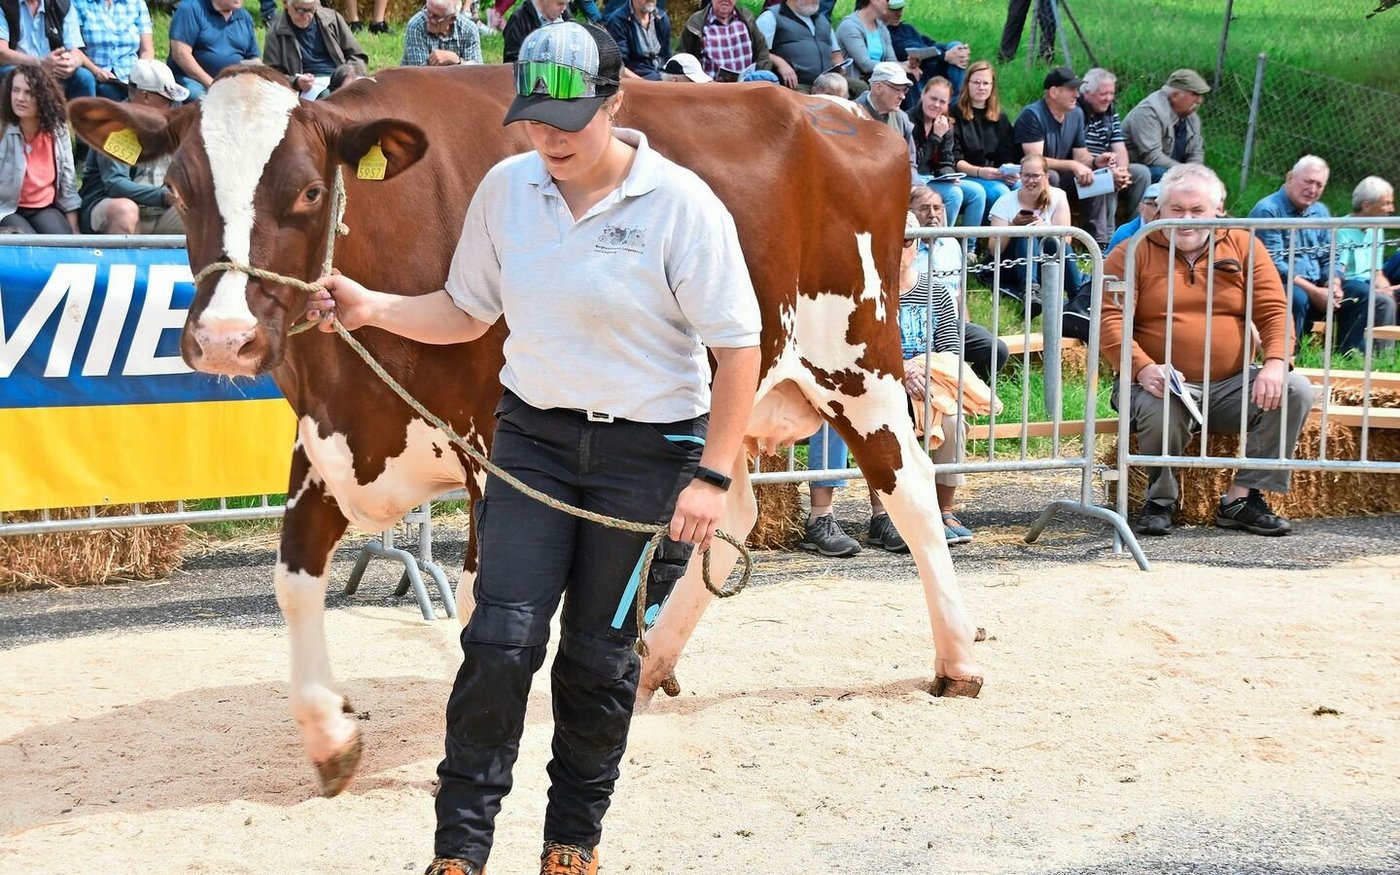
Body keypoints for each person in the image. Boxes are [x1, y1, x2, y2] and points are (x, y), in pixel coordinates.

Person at [306, 22, 762, 875]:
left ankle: (571, 846)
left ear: (615, 102)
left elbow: (739, 347)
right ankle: (460, 853)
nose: (548, 135)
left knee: (596, 658)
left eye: (568, 117)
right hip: (534, 442)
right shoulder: (508, 189)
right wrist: (374, 306)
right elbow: (467, 310)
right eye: (535, 117)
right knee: (498, 641)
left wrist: (711, 473)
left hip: (648, 454)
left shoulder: (679, 204)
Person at [1102, 163, 1313, 538]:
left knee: (1296, 389)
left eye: (1197, 211)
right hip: (1156, 382)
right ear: (1157, 210)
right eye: (1176, 210)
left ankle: (1242, 497)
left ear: (1218, 210)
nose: (1186, 220)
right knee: (1160, 402)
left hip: (1231, 383)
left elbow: (1273, 309)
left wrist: (1276, 363)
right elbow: (1109, 320)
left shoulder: (1244, 244)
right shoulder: (1130, 251)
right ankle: (1159, 499)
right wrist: (1142, 368)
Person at [908, 187, 1008, 543]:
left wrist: (930, 374)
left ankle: (944, 511)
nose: (933, 214)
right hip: (889, 377)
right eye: (904, 242)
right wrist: (903, 372)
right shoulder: (878, 287)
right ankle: (892, 516)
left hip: (933, 371)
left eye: (938, 207)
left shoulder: (945, 261)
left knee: (951, 416)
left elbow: (950, 346)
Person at [1247, 155, 1358, 351]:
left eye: (1319, 185)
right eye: (1308, 181)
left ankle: (1352, 355)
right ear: (1290, 178)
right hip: (1279, 282)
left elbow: (1330, 255)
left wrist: (1333, 283)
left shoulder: (1321, 212)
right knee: (1297, 297)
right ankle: (1288, 355)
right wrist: (1314, 292)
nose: (1313, 189)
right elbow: (1272, 263)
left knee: (1363, 293)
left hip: (1316, 283)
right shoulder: (1268, 210)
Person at [78, 59, 185, 235]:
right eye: (167, 98)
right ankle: (123, 260)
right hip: (114, 208)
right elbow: (116, 184)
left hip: (161, 210)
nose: (172, 104)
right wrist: (163, 197)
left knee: (206, 209)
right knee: (125, 211)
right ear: (146, 97)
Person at [986, 154, 1085, 314]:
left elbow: (1066, 241)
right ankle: (1029, 292)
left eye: (1035, 176)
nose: (1030, 181)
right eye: (1026, 175)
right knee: (1027, 234)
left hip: (1047, 262)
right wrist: (1014, 225)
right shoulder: (1005, 202)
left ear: (1046, 176)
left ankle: (1077, 295)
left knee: (1056, 241)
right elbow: (993, 249)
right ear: (1020, 175)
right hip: (1012, 265)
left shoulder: (1058, 196)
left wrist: (1045, 228)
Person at [0, 63, 78, 234]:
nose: (20, 98)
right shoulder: (2, 129)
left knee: (61, 244)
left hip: (44, 208)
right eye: (16, 90)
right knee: (29, 246)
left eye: (28, 93)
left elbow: (68, 184)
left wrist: (75, 233)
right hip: (6, 210)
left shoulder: (58, 130)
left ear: (43, 97)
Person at [1077, 67, 1150, 247]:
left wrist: (1122, 170)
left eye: (1111, 93)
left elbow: (1119, 147)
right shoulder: (1076, 111)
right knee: (1108, 179)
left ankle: (1139, 232)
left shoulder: (1110, 110)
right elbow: (1078, 153)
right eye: (1103, 94)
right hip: (1086, 166)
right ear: (1087, 92)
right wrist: (1111, 172)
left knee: (1141, 173)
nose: (1109, 98)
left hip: (1108, 164)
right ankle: (1107, 242)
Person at [1014, 66, 1095, 220]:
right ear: (1053, 92)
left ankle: (1100, 240)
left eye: (1077, 89)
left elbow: (1081, 156)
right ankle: (1050, 231)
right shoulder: (1032, 115)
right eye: (1071, 89)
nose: (1077, 95)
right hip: (1032, 175)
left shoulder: (1076, 114)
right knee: (1051, 176)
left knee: (1097, 179)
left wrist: (1097, 163)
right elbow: (1035, 160)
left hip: (1063, 176)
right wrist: (1072, 165)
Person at [910, 75, 986, 231]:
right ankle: (941, 239)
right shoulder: (909, 121)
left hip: (935, 178)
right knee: (954, 194)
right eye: (933, 98)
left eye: (942, 101)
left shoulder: (945, 123)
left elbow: (947, 160)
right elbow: (916, 160)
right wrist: (936, 137)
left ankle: (969, 248)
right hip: (915, 178)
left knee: (977, 192)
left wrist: (949, 175)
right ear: (923, 94)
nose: (936, 105)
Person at [1333, 175, 1398, 354]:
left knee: (1390, 298)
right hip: (1349, 285)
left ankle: (1387, 357)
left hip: (1368, 283)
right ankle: (1367, 356)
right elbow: (1339, 272)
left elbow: (1377, 274)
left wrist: (1387, 289)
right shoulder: (1343, 230)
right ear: (1366, 205)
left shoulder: (1377, 228)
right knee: (1381, 301)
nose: (1391, 209)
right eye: (1386, 203)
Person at [953, 60, 1020, 217]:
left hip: (996, 174)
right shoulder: (954, 113)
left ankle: (1017, 239)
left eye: (986, 83)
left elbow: (1007, 152)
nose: (981, 87)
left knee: (1022, 187)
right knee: (1000, 191)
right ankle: (989, 239)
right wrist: (979, 172)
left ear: (992, 86)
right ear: (967, 84)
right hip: (968, 174)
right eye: (976, 82)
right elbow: (954, 159)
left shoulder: (1000, 117)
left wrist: (1009, 171)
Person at [264, 0, 367, 97]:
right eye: (301, 10)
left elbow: (357, 55)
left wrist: (350, 72)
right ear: (286, 4)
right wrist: (295, 82)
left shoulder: (331, 18)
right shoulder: (276, 30)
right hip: (309, 86)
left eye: (311, 9)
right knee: (329, 97)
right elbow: (271, 73)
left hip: (339, 77)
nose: (307, 15)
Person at [1122, 69, 1208, 183]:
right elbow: (1152, 157)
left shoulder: (1192, 118)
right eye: (1195, 94)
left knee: (1207, 178)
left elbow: (1196, 152)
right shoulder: (1149, 112)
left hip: (1173, 168)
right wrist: (1186, 173)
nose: (1199, 100)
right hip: (1137, 171)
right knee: (1160, 174)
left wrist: (1196, 173)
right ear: (1175, 95)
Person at [0, 0, 97, 100]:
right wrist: (40, 63)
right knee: (6, 73)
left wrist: (70, 63)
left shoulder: (63, 4)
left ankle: (80, 116)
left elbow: (75, 50)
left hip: (54, 68)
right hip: (18, 66)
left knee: (84, 77)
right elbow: (2, 53)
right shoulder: (4, 4)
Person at [167, 0, 260, 102]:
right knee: (202, 99)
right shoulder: (190, 9)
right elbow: (181, 54)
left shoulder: (244, 17)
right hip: (194, 81)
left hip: (232, 83)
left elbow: (254, 60)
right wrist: (213, 85)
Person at [880, 0, 967, 105]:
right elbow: (910, 49)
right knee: (951, 52)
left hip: (930, 70)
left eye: (900, 8)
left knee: (955, 45)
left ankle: (960, 100)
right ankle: (956, 103)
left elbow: (930, 44)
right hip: (915, 78)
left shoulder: (908, 29)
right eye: (893, 10)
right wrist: (945, 55)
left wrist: (958, 50)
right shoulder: (883, 33)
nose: (899, 13)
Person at [71, 0, 153, 100]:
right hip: (95, 73)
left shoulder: (137, 3)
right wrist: (96, 71)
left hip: (131, 76)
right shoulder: (77, 3)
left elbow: (147, 50)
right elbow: (74, 48)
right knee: (106, 91)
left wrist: (139, 75)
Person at [756, 0, 842, 92]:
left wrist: (840, 68)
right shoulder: (771, 16)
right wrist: (780, 62)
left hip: (827, 84)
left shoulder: (822, 19)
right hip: (794, 85)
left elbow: (836, 53)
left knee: (858, 90)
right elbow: (757, 51)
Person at [678, 0, 771, 82]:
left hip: (747, 91)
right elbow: (682, 58)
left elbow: (762, 53)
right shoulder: (696, 23)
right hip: (710, 92)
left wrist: (759, 80)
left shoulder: (747, 18)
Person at [854, 61, 915, 177]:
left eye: (904, 90)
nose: (903, 96)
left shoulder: (902, 118)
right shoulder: (852, 113)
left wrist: (915, 186)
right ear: (878, 88)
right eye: (898, 89)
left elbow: (910, 162)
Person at [402, 0, 483, 66]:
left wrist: (455, 59)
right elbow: (420, 74)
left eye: (435, 16)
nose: (428, 18)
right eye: (427, 10)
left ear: (452, 19)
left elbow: (477, 71)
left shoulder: (469, 30)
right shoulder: (416, 26)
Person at [605, 0, 670, 80]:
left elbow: (666, 54)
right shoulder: (618, 21)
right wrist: (644, 84)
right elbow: (618, 66)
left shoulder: (661, 18)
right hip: (638, 77)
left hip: (662, 71)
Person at [833, 0, 893, 83]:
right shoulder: (849, 26)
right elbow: (865, 65)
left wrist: (907, 67)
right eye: (887, 0)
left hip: (878, 78)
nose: (889, 3)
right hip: (855, 82)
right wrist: (896, 67)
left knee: (907, 78)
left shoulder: (882, 28)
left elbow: (892, 59)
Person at [502, 0, 567, 63]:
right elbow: (512, 63)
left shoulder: (565, 17)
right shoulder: (519, 20)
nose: (564, 8)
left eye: (567, 4)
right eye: (560, 4)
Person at [1106, 182, 1159, 253]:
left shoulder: (1173, 231)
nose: (1160, 210)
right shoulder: (1124, 234)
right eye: (1155, 205)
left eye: (1164, 205)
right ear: (1141, 207)